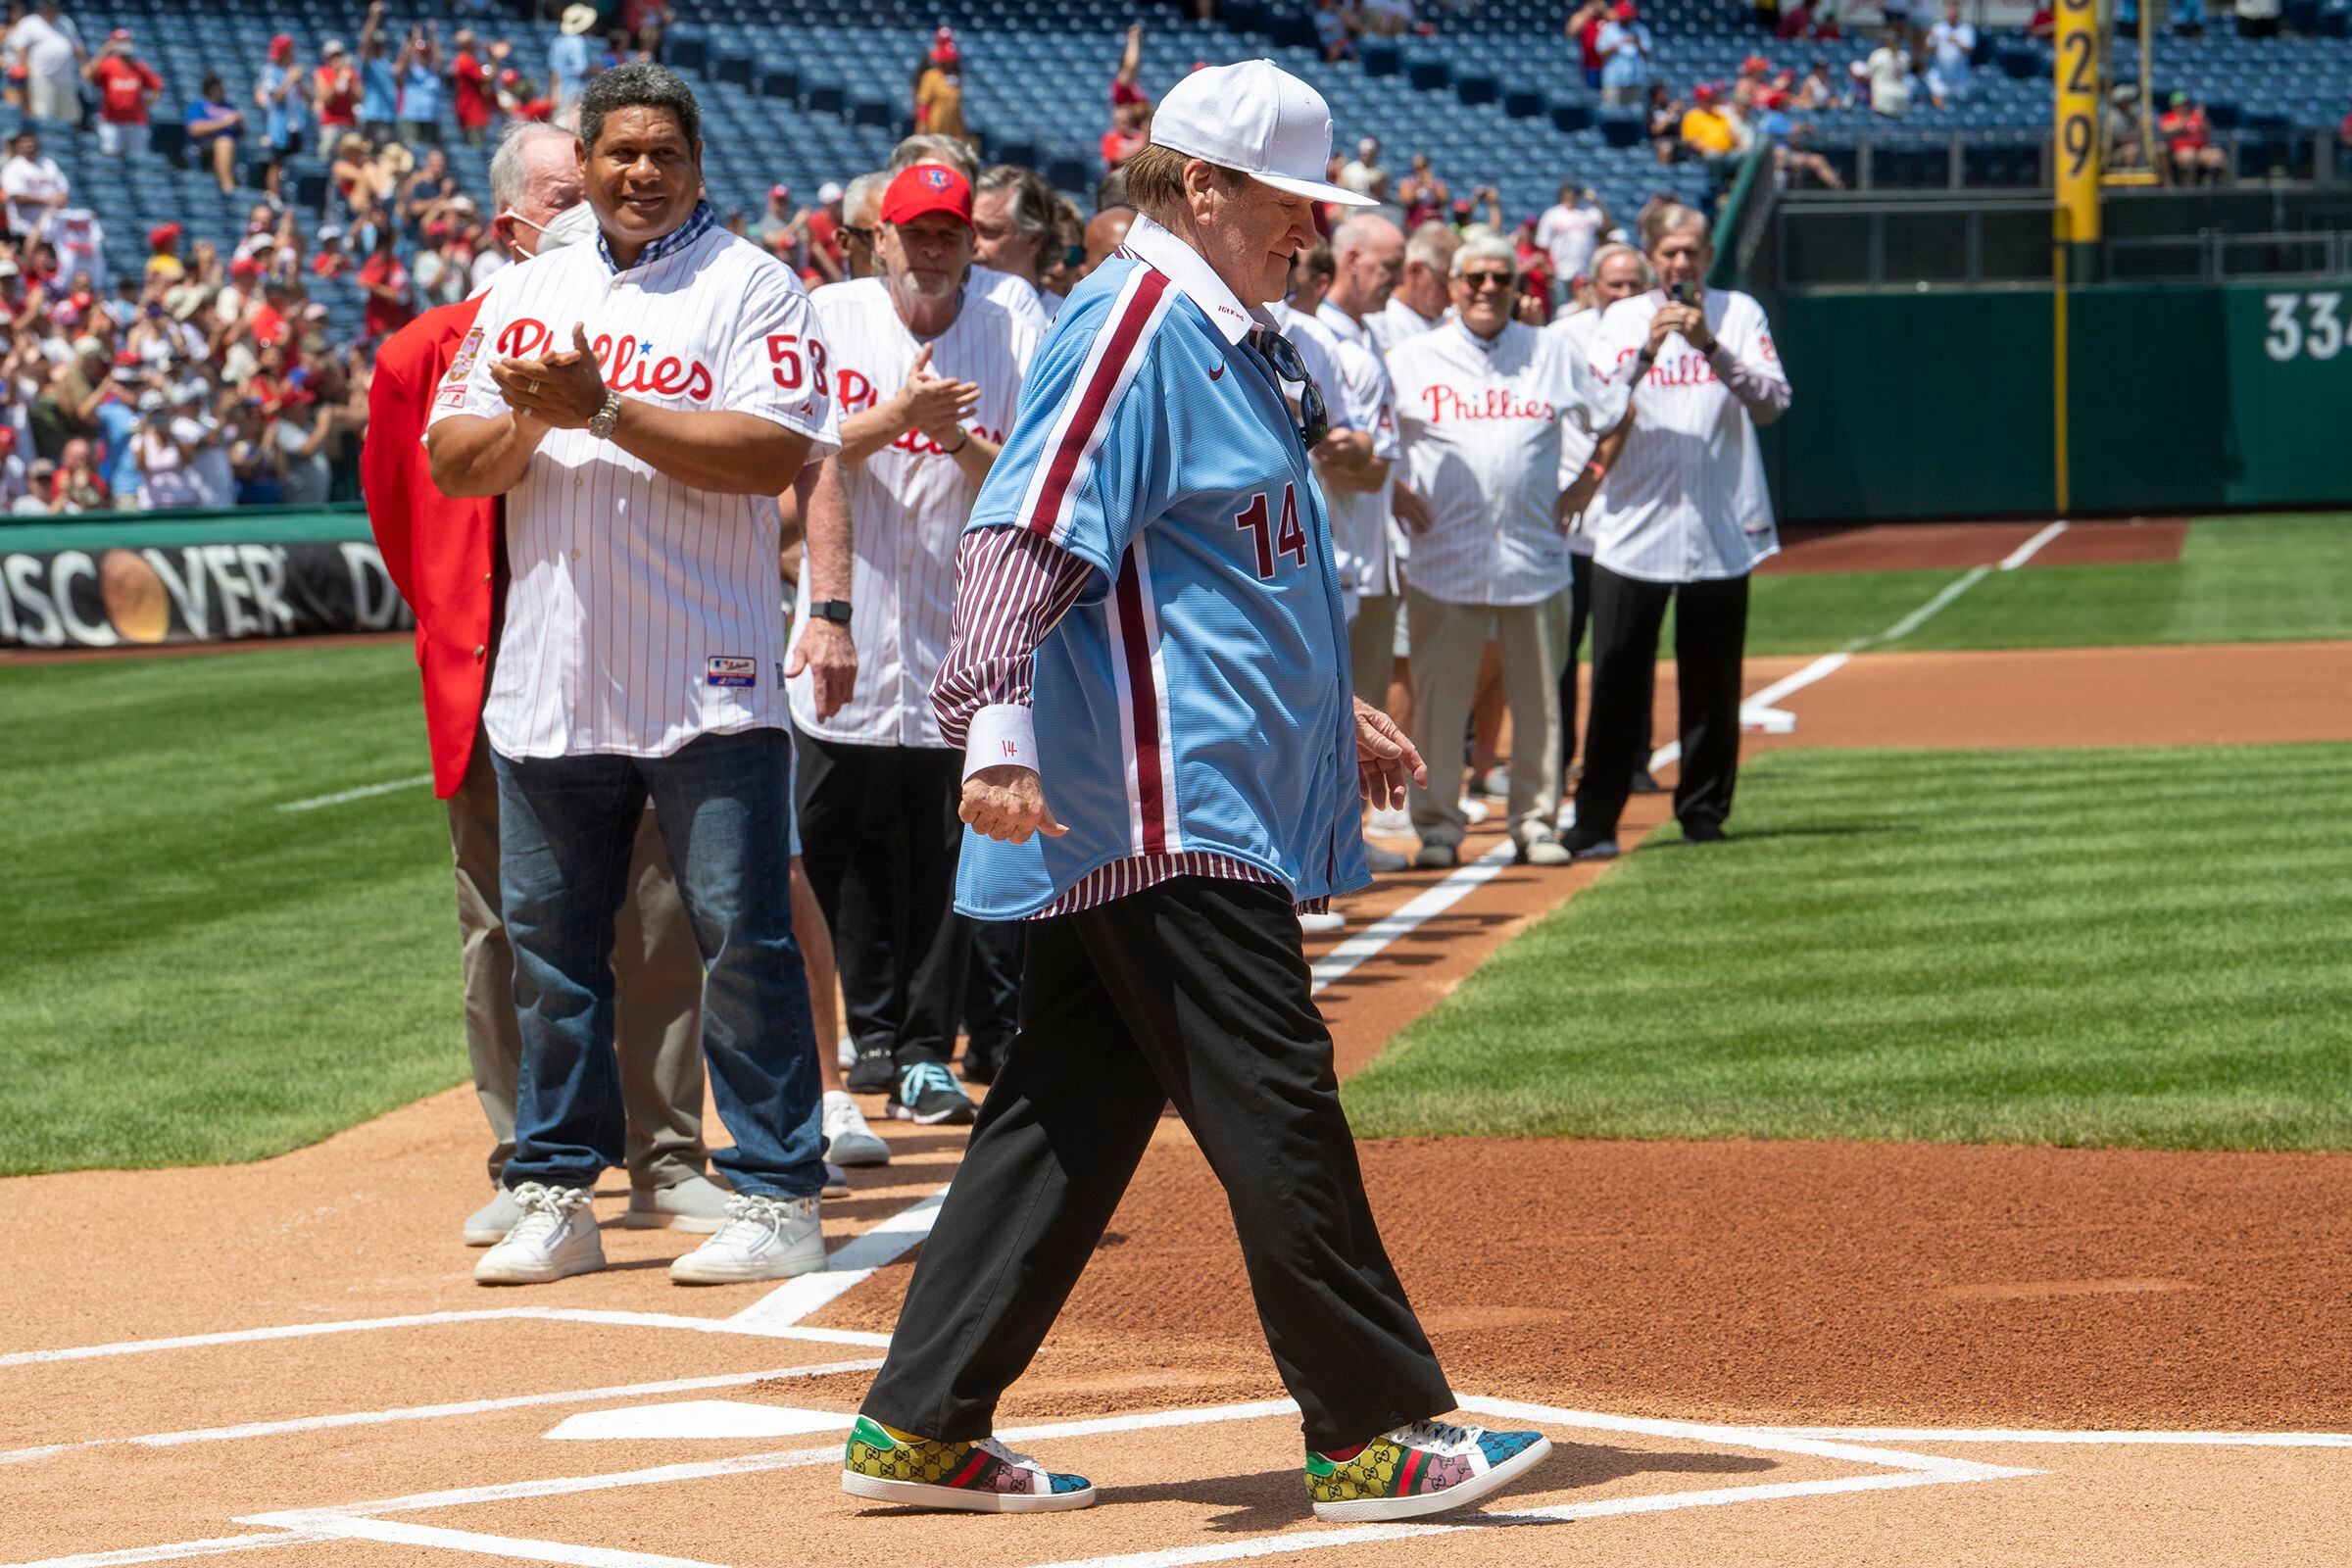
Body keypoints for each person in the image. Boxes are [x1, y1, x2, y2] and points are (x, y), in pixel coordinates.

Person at [841, 56, 1551, 1523]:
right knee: (1275, 1089)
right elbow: (1019, 537)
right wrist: (995, 734)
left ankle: (921, 1422)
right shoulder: (1139, 320)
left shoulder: (1224, 330)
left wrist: (1323, 701)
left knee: (1067, 1107)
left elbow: (1213, 568)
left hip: (1183, 783)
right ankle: (1372, 1429)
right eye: (1289, 198)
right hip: (1156, 802)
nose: (1308, 225)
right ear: (1204, 187)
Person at [367, 122, 816, 1250]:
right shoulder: (526, 293)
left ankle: (775, 1189)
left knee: (742, 944)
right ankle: (555, 1188)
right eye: (617, 153)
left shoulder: (756, 284)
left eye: (663, 152)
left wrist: (606, 408)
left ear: (699, 164)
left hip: (708, 678)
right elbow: (448, 463)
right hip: (550, 682)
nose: (638, 173)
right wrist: (537, 413)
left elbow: (772, 454)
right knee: (551, 959)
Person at [792, 163, 1041, 1115]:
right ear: (878, 239)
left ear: (970, 242)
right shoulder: (828, 314)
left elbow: (1024, 478)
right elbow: (797, 454)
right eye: (915, 233)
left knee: (945, 848)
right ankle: (866, 1035)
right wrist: (899, 416)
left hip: (959, 628)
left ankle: (929, 1046)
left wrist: (954, 439)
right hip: (844, 625)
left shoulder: (1013, 325)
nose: (932, 251)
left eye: (949, 234)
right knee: (837, 846)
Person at [1559, 205, 1790, 858]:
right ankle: (1596, 819)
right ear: (1654, 255)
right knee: (1615, 683)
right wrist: (1650, 350)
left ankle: (1703, 812)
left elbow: (1773, 404)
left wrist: (1711, 346)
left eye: (1691, 252)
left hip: (1721, 525)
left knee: (1713, 685)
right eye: (1670, 252)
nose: (1681, 263)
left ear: (1708, 253)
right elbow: (1599, 407)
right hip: (1634, 527)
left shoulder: (1739, 313)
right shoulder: (1621, 321)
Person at [1385, 234, 1619, 868]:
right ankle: (1437, 827)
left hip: (1535, 558)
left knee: (1541, 699)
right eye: (1475, 279)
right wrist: (1395, 490)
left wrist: (1588, 481)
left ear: (1519, 288)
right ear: (1453, 284)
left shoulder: (1551, 349)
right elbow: (1372, 433)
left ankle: (1536, 822)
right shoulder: (1413, 356)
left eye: (1501, 279)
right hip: (1444, 557)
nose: (1488, 289)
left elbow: (1615, 411)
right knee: (1439, 701)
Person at [1544, 240, 1650, 797]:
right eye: (1616, 284)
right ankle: (1559, 762)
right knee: (1565, 648)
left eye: (1636, 285)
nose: (1626, 295)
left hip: (1633, 515)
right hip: (1570, 522)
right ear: (1589, 285)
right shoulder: (1563, 337)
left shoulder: (1660, 335)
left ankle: (1633, 757)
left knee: (1628, 646)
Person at [971, 164, 1058, 318]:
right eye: (966, 229)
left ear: (1033, 241)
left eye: (989, 231)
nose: (971, 243)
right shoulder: (942, 314)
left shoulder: (1064, 323)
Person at [1367, 219, 1457, 355]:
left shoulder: (1452, 320)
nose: (1454, 295)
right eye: (1445, 283)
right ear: (1415, 270)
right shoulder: (1380, 322)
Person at [85, 29, 162, 158]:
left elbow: (157, 86)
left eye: (125, 41)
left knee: (139, 158)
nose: (123, 44)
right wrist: (105, 51)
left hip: (136, 121)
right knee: (111, 158)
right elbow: (88, 75)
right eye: (119, 42)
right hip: (111, 120)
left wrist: (148, 105)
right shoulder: (108, 65)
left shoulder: (139, 67)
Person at [5, 1, 83, 124]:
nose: (52, 9)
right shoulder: (30, 22)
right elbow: (18, 46)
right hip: (41, 76)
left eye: (54, 7)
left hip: (66, 77)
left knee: (70, 117)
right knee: (44, 114)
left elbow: (78, 46)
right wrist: (27, 66)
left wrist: (84, 64)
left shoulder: (66, 22)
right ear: (42, 7)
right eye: (49, 6)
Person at [256, 35, 309, 201]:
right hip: (279, 126)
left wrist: (299, 82)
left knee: (291, 162)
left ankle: (289, 197)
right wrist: (289, 80)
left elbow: (310, 99)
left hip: (296, 125)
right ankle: (273, 196)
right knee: (276, 162)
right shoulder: (270, 70)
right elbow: (276, 98)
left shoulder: (292, 71)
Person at [1, 129, 67, 242]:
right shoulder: (12, 167)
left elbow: (64, 192)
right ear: (18, 146)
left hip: (50, 230)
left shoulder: (49, 164)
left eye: (31, 143)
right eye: (24, 143)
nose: (29, 146)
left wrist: (58, 200)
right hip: (24, 231)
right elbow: (19, 197)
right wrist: (48, 201)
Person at [184, 74, 244, 194]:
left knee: (227, 143)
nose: (221, 89)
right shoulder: (199, 105)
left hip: (231, 144)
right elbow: (194, 129)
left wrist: (239, 122)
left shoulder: (228, 106)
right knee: (224, 143)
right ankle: (228, 187)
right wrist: (225, 123)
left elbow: (242, 132)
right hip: (205, 145)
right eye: (216, 86)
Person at [1597, 2, 1656, 109]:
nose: (1627, 19)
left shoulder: (1640, 29)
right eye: (1625, 16)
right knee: (1612, 111)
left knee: (1635, 112)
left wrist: (1637, 43)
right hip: (1613, 79)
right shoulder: (1609, 29)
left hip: (1635, 78)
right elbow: (1601, 52)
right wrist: (1620, 42)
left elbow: (1647, 53)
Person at [2160, 92, 2228, 185]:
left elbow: (2208, 130)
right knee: (2189, 156)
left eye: (2186, 104)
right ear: (2173, 106)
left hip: (2201, 149)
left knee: (2218, 155)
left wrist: (2202, 119)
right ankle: (2191, 189)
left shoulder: (2196, 116)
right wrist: (2189, 119)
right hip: (2179, 151)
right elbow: (2166, 131)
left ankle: (2219, 189)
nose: (2184, 107)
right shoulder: (2169, 117)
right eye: (2181, 104)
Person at [912, 28, 966, 143]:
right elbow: (923, 102)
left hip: (952, 130)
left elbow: (958, 105)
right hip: (935, 128)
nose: (950, 64)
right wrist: (922, 124)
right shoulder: (930, 75)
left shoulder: (955, 76)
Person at [358, 2, 399, 146]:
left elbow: (401, 69)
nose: (378, 47)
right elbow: (366, 41)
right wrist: (374, 17)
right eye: (376, 45)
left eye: (381, 45)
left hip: (389, 117)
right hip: (373, 116)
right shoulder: (367, 64)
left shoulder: (386, 64)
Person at [396, 24, 444, 146]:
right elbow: (401, 66)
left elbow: (439, 59)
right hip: (412, 117)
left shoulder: (434, 72)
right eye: (421, 53)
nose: (424, 55)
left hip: (431, 118)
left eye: (426, 53)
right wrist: (413, 40)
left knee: (431, 149)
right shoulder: (412, 70)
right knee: (412, 150)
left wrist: (433, 36)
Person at [1923, 3, 1975, 108]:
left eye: (1953, 13)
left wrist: (1955, 40)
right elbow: (1928, 49)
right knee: (1938, 102)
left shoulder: (1966, 29)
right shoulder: (1937, 28)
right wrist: (1930, 36)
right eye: (1949, 13)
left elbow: (1970, 49)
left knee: (1961, 106)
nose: (1951, 16)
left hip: (1960, 76)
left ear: (1958, 14)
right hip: (1940, 75)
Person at [549, 5, 597, 111]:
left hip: (562, 95)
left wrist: (555, 95)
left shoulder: (557, 41)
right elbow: (581, 69)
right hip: (576, 96)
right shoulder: (578, 42)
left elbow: (554, 73)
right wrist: (598, 69)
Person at [1864, 31, 1912, 119]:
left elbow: (1868, 75)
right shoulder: (1904, 55)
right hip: (1902, 95)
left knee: (1881, 125)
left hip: (1882, 96)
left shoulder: (1878, 54)